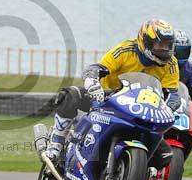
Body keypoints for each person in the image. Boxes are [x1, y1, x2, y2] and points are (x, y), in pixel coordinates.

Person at [42, 19, 182, 170]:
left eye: (168, 45)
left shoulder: (171, 63)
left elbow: (173, 94)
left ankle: (134, 178)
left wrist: (169, 108)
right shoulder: (124, 50)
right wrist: (93, 82)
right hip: (107, 100)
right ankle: (56, 142)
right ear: (145, 41)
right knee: (70, 95)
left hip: (143, 109)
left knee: (164, 157)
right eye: (160, 44)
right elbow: (96, 68)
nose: (164, 49)